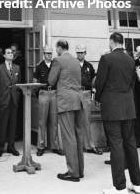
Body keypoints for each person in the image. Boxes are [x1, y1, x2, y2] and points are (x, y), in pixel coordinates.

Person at [95, 32, 140, 194]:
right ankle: (137, 184)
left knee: (116, 145)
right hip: (128, 106)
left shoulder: (106, 58)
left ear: (112, 42)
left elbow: (100, 82)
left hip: (112, 107)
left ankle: (119, 187)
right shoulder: (131, 60)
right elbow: (132, 83)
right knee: (130, 144)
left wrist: (98, 98)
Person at [48, 39, 84, 182]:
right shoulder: (76, 61)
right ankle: (79, 170)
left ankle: (73, 172)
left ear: (58, 48)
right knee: (77, 135)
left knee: (68, 137)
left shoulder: (58, 60)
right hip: (77, 99)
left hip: (66, 101)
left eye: (56, 48)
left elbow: (51, 80)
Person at [33, 45, 61, 156]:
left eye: (50, 53)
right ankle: (41, 146)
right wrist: (39, 93)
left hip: (54, 93)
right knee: (42, 121)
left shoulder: (55, 65)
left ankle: (54, 145)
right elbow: (35, 82)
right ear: (43, 54)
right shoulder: (39, 66)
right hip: (44, 93)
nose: (49, 55)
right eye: (47, 53)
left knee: (54, 121)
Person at [0, 47, 20, 157]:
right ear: (3, 55)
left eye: (12, 52)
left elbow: (18, 84)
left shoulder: (17, 68)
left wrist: (16, 96)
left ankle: (11, 147)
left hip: (13, 100)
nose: (11, 54)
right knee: (2, 124)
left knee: (13, 124)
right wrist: (0, 97)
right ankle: (0, 147)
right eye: (8, 53)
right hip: (3, 100)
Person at [75, 44, 101, 154]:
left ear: (85, 53)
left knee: (87, 121)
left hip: (86, 93)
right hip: (75, 93)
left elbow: (94, 79)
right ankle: (78, 146)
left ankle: (90, 145)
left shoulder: (89, 66)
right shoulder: (73, 64)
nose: (80, 54)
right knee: (76, 121)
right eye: (78, 53)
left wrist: (93, 90)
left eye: (82, 52)